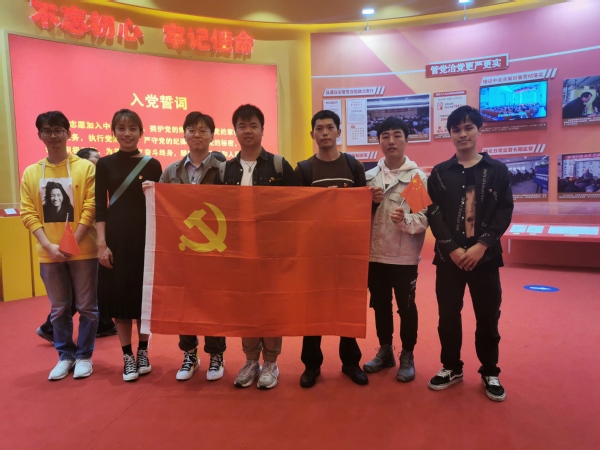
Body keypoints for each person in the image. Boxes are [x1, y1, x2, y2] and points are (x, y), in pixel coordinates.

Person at [426, 105, 513, 402]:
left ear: (478, 130)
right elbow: (434, 213)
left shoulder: (497, 171)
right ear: (450, 134)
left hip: (485, 258)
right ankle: (451, 367)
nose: (462, 134)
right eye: (456, 130)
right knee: (448, 316)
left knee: (487, 317)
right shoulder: (439, 173)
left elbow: (504, 211)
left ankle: (490, 371)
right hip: (448, 259)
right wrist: (452, 248)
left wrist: (481, 245)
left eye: (468, 128)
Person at [295, 110, 383, 388]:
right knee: (313, 310)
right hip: (315, 253)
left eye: (330, 127)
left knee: (347, 305)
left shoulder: (353, 166)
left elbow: (363, 209)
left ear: (338, 132)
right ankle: (311, 365)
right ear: (312, 134)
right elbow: (295, 212)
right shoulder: (304, 169)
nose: (324, 133)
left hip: (348, 251)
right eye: (319, 128)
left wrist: (374, 201)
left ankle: (351, 363)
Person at [216, 104, 299, 390]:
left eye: (253, 125)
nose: (247, 130)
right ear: (235, 131)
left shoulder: (279, 165)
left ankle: (271, 362)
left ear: (263, 129)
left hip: (272, 251)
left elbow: (300, 204)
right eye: (242, 126)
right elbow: (214, 209)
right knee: (246, 306)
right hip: (239, 251)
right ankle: (251, 360)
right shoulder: (225, 169)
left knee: (272, 306)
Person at [20, 111, 99, 380]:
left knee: (87, 307)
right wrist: (49, 246)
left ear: (68, 133)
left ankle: (84, 356)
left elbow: (90, 207)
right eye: (47, 131)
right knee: (59, 309)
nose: (53, 135)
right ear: (40, 135)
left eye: (58, 130)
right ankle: (65, 356)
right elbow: (28, 212)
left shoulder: (85, 168)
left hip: (83, 250)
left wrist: (72, 242)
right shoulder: (32, 172)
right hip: (49, 253)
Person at [150, 111, 227, 382]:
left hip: (214, 248)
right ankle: (190, 354)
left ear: (212, 136)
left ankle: (216, 354)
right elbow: (161, 209)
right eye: (192, 130)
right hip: (181, 250)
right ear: (184, 134)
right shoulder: (171, 171)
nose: (197, 135)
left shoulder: (222, 169)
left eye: (203, 130)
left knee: (213, 302)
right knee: (183, 301)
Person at [96, 109, 162, 382]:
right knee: (121, 298)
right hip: (117, 238)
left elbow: (161, 205)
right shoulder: (104, 164)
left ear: (141, 132)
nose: (127, 133)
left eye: (132, 128)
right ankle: (127, 356)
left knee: (143, 298)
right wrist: (102, 244)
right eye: (121, 128)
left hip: (146, 238)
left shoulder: (153, 165)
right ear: (113, 132)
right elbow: (100, 207)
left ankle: (143, 351)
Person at [362, 117, 428, 382]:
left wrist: (404, 220)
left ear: (406, 140)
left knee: (406, 308)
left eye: (397, 135)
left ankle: (408, 355)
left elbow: (423, 219)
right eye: (385, 136)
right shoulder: (369, 177)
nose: (391, 141)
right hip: (374, 255)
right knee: (380, 306)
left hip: (404, 257)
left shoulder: (415, 178)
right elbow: (356, 216)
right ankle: (386, 350)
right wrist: (371, 204)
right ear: (378, 141)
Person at [36, 147, 117, 344]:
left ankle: (103, 324)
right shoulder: (70, 185)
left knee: (90, 291)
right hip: (77, 245)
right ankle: (50, 328)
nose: (100, 161)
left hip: (91, 243)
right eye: (96, 158)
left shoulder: (100, 180)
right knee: (75, 295)